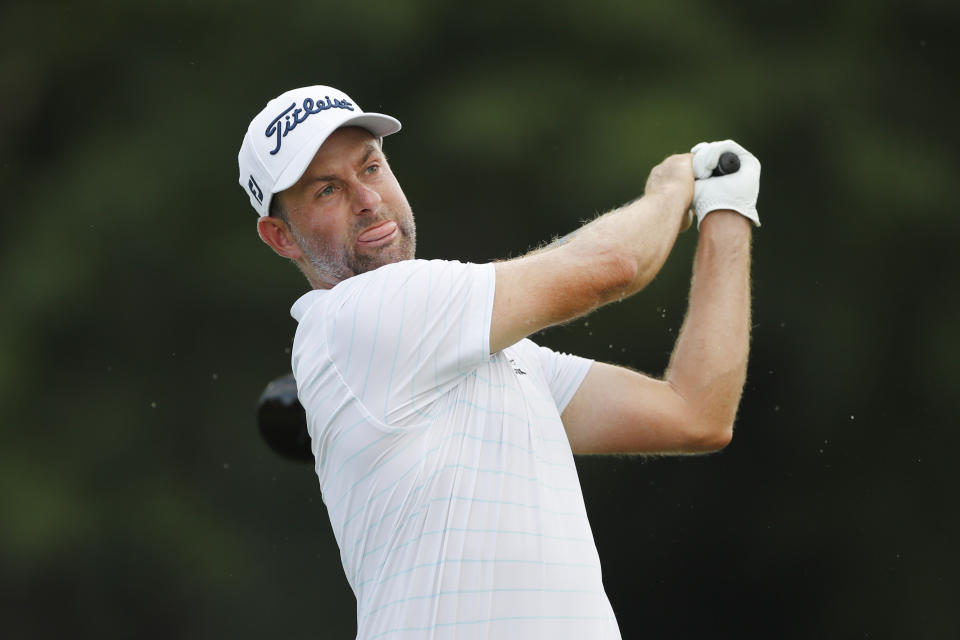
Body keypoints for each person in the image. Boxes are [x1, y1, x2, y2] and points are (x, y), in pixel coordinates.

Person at [238, 85, 759, 640]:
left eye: (370, 167)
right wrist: (671, 189)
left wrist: (727, 212)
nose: (366, 199)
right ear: (280, 237)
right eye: (326, 190)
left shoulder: (504, 358)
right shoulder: (353, 316)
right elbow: (614, 265)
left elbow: (697, 413)